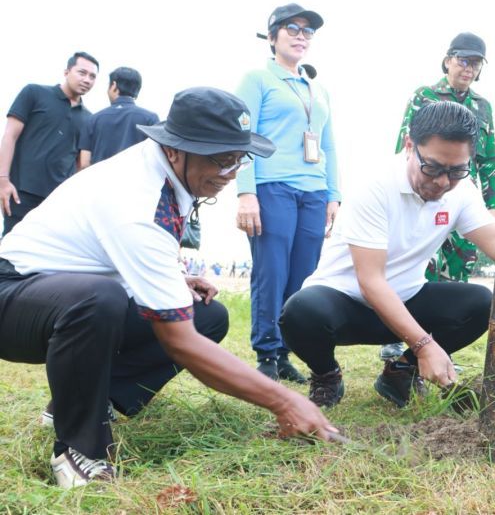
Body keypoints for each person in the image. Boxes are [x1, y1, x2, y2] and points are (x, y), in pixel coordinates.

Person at [0, 87, 336, 488]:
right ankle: (78, 447)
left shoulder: (163, 174)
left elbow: (106, 255)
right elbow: (179, 343)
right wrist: (285, 401)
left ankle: (86, 400)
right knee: (99, 299)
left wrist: (174, 279)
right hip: (14, 297)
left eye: (237, 160)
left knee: (208, 314)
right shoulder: (136, 197)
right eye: (221, 160)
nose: (230, 175)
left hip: (57, 293)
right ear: (175, 150)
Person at [280, 101, 495, 409]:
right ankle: (326, 375)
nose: (443, 182)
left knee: (480, 303)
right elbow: (371, 281)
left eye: (456, 170)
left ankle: (400, 371)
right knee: (301, 312)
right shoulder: (375, 186)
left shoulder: (461, 190)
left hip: (408, 299)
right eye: (432, 167)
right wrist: (424, 345)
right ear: (409, 145)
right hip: (345, 304)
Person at [235, 3, 341, 383]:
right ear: (273, 35)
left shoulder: (317, 88)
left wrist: (334, 194)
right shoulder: (257, 79)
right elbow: (242, 138)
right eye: (293, 29)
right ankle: (266, 352)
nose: (301, 36)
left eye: (308, 31)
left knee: (304, 275)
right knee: (272, 271)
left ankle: (285, 352)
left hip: (313, 190)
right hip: (272, 186)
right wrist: (246, 193)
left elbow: (327, 144)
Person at [380, 32, 495, 362]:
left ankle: (436, 344)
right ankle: (397, 334)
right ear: (448, 60)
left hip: (463, 195)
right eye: (463, 60)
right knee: (416, 265)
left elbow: (488, 158)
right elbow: (404, 144)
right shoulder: (424, 96)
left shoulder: (482, 106)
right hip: (423, 190)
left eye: (476, 63)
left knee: (459, 267)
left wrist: (493, 205)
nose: (469, 68)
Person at [0, 51, 99, 234]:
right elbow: (9, 136)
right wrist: (3, 181)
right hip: (20, 192)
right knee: (10, 255)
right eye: (82, 73)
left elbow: (80, 164)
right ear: (66, 72)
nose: (87, 80)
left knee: (44, 258)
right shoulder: (34, 93)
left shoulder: (89, 119)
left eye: (93, 76)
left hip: (57, 202)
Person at [78, 66, 160, 167]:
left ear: (114, 85)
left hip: (100, 181)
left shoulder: (92, 120)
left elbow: (84, 163)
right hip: (137, 181)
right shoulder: (150, 118)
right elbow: (156, 158)